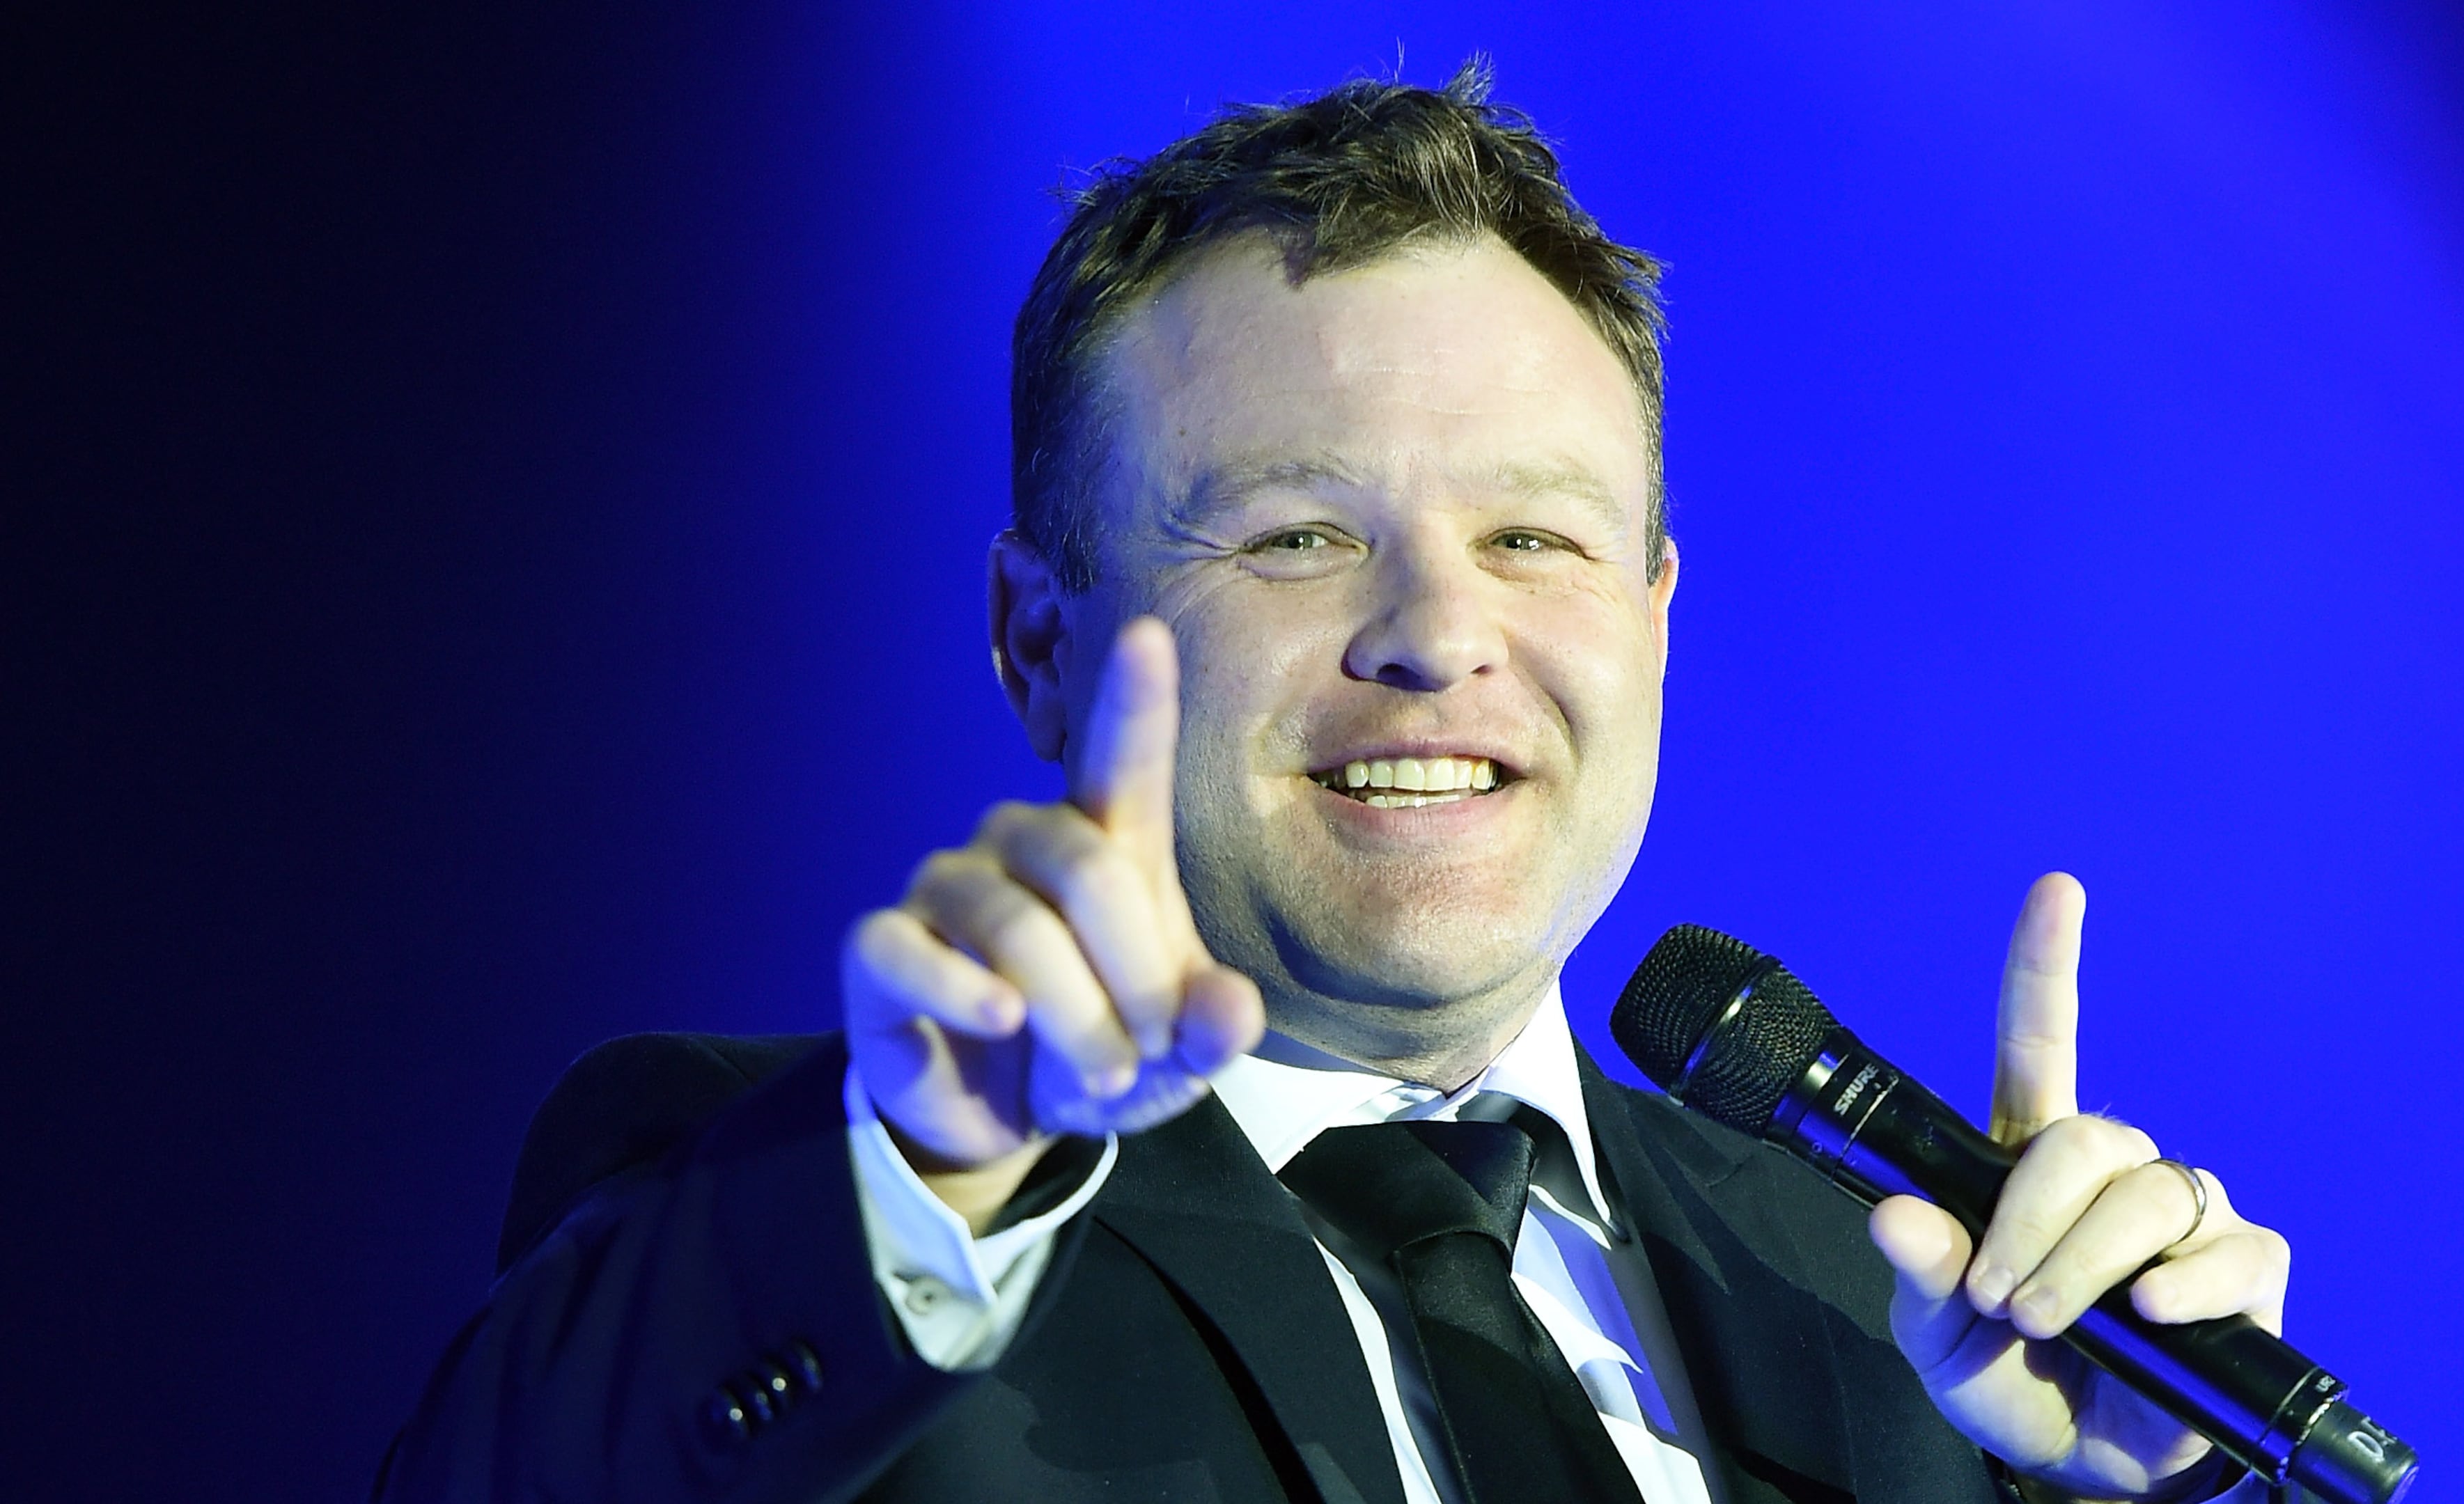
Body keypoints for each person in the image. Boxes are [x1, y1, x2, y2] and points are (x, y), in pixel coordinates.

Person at [377, 65, 2295, 1504]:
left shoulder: (1904, 1301)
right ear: (1040, 643)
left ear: (1655, 621)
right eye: (1296, 537)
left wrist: (2167, 1487)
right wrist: (917, 1183)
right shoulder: (833, 1206)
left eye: (1535, 540)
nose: (1434, 634)